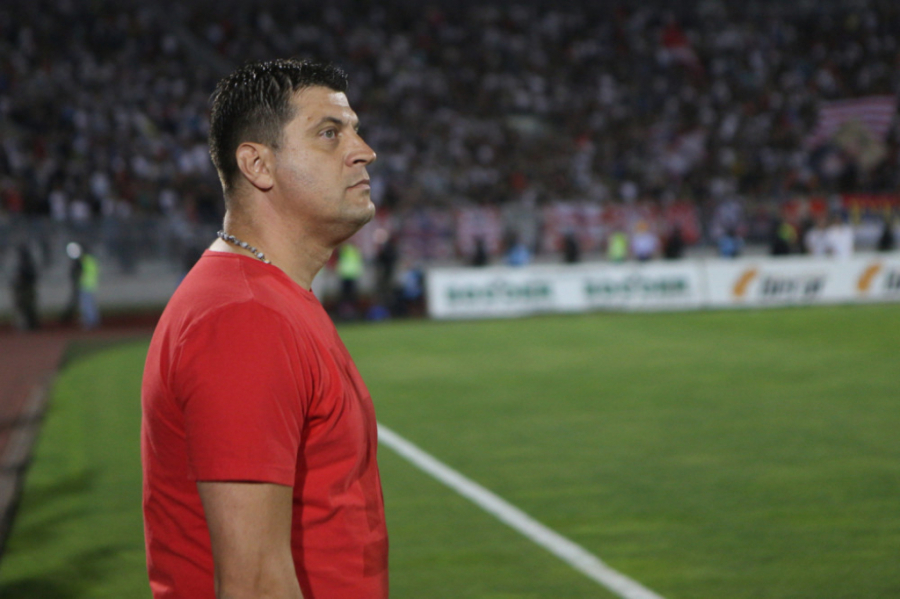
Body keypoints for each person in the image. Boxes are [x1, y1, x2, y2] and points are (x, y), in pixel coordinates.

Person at [141, 59, 388, 599]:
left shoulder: (262, 296)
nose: (364, 151)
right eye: (330, 133)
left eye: (355, 130)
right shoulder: (244, 317)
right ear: (257, 164)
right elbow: (254, 585)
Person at [11, 243, 39, 330]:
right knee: (26, 307)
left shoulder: (26, 265)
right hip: (25, 289)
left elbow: (29, 277)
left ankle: (28, 325)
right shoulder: (28, 264)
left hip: (25, 289)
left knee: (25, 307)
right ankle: (29, 324)